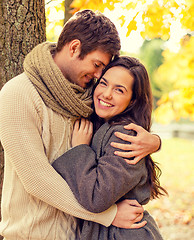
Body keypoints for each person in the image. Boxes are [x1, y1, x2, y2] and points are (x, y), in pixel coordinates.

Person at [0, 9, 160, 240]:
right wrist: (108, 215)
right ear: (74, 48)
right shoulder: (18, 94)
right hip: (33, 234)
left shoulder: (87, 96)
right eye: (96, 65)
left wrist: (155, 142)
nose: (97, 77)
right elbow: (36, 179)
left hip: (79, 234)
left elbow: (118, 129)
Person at [52, 56, 167, 239]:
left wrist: (81, 148)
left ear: (132, 101)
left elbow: (97, 198)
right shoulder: (102, 124)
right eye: (104, 83)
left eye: (119, 90)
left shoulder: (126, 135)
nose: (106, 94)